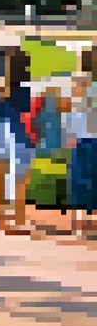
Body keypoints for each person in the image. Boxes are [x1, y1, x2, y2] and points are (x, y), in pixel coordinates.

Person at [0, 48, 35, 235]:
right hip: (18, 133)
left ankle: (2, 218)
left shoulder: (0, 88)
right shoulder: (25, 91)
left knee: (1, 176)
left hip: (1, 130)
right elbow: (28, 114)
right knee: (19, 180)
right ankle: (19, 219)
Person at [68, 49, 97, 238]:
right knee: (92, 179)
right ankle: (88, 222)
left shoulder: (76, 82)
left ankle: (78, 225)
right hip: (93, 135)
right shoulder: (92, 85)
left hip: (78, 135)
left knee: (78, 179)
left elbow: (73, 109)